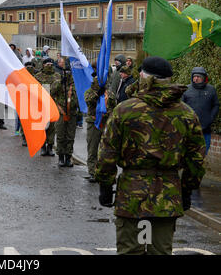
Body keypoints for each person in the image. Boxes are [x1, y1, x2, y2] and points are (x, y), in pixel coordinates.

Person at [95, 57, 206, 255]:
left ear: (145, 78)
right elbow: (196, 159)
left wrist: (105, 184)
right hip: (168, 194)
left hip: (132, 192)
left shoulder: (125, 110)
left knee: (130, 250)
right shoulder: (187, 114)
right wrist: (188, 189)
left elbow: (107, 152)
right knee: (161, 251)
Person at [84, 66, 116, 183]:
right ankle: (92, 172)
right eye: (97, 78)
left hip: (106, 124)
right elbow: (89, 101)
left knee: (106, 150)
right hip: (94, 124)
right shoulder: (89, 92)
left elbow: (113, 105)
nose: (98, 80)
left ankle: (104, 173)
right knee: (92, 149)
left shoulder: (109, 92)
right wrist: (98, 94)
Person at [182, 67, 219, 154]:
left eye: (199, 76)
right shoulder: (186, 90)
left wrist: (211, 118)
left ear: (204, 78)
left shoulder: (211, 90)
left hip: (205, 130)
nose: (196, 78)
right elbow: (180, 106)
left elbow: (216, 105)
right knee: (188, 154)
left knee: (203, 153)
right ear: (192, 77)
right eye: (194, 76)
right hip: (189, 130)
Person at [55, 57, 78, 167]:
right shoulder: (59, 80)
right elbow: (52, 91)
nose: (68, 73)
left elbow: (80, 97)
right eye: (66, 71)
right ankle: (60, 156)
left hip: (72, 113)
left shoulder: (75, 84)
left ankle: (68, 157)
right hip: (61, 112)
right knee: (60, 135)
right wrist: (60, 83)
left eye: (69, 71)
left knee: (70, 136)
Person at [35, 58, 61, 156]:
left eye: (51, 64)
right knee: (42, 127)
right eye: (47, 64)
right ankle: (42, 146)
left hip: (53, 104)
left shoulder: (57, 76)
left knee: (52, 127)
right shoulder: (38, 76)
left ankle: (50, 147)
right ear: (43, 65)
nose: (49, 65)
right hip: (41, 105)